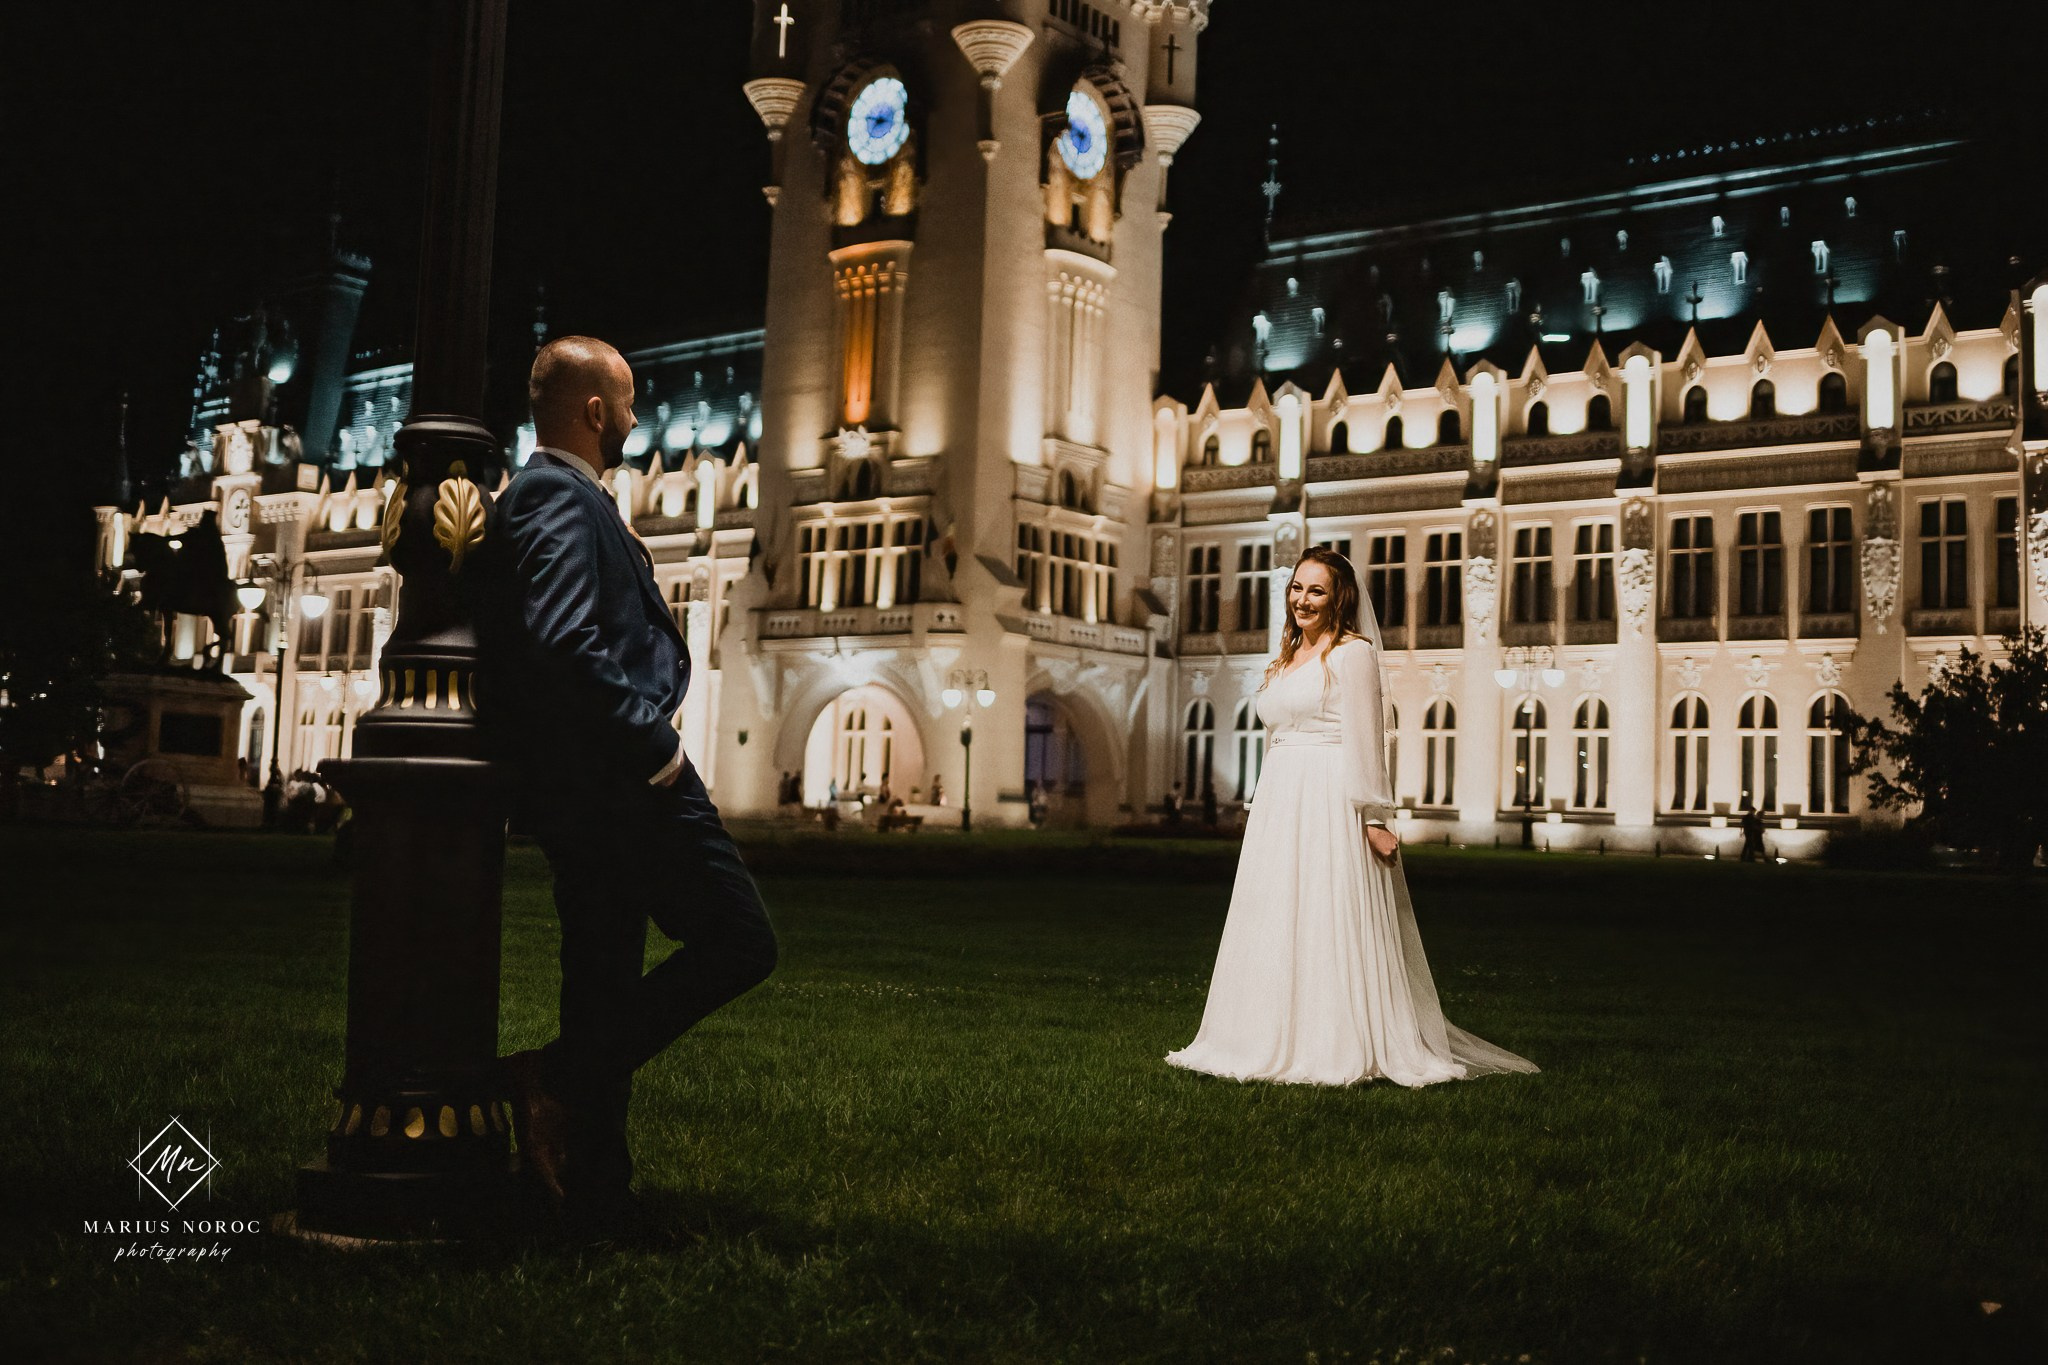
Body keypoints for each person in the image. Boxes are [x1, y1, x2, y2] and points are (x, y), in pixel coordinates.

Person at [483, 336, 777, 1236]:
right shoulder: (555, 497)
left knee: (604, 979)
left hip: (594, 784)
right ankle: (558, 1080)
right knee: (740, 938)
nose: (643, 416)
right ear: (596, 409)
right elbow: (565, 641)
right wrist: (657, 750)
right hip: (623, 781)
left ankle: (591, 1191)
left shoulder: (565, 500)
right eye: (631, 400)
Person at [1167, 547, 1537, 1087]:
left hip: (1329, 795)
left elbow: (1368, 738)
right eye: (1297, 588)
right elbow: (1274, 736)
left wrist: (1374, 816)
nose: (1302, 599)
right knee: (1274, 915)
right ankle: (1257, 1032)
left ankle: (1336, 1039)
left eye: (1316, 590)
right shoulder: (1285, 659)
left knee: (1326, 912)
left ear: (1339, 598)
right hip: (1281, 800)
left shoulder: (1353, 655)